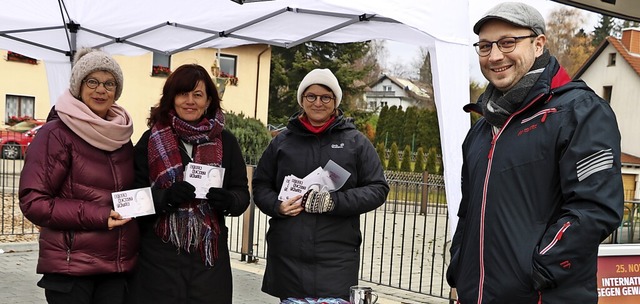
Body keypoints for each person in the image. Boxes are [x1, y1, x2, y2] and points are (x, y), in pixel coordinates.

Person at [446, 2, 623, 303]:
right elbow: (468, 211)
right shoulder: (481, 129)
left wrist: (538, 271)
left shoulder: (580, 112)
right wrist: (458, 272)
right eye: (485, 46)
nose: (495, 55)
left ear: (539, 44)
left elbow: (595, 209)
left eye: (507, 42)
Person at [252, 68, 389, 302]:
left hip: (336, 258)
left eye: (326, 97)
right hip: (289, 257)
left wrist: (334, 202)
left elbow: (378, 188)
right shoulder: (282, 143)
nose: (318, 103)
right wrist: (278, 207)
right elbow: (261, 185)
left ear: (335, 101)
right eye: (311, 96)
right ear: (302, 100)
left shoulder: (356, 142)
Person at [19, 48, 138, 304]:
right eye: (92, 81)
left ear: (116, 91)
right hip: (71, 270)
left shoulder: (122, 137)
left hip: (115, 269)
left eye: (109, 83)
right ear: (78, 86)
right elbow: (33, 201)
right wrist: (99, 216)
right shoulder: (56, 134)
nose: (101, 90)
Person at [128, 64, 250, 304]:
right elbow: (130, 200)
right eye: (183, 93)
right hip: (159, 259)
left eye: (198, 94)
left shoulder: (226, 141)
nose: (190, 101)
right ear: (172, 98)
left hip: (208, 261)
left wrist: (228, 200)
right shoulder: (150, 140)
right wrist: (166, 198)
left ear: (208, 101)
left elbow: (242, 196)